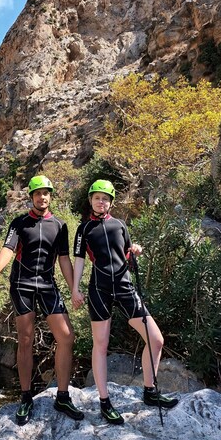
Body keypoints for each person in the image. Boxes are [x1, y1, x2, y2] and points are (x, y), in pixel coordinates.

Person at [72, 179, 178, 425]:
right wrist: (75, 289)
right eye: (97, 197)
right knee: (101, 344)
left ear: (111, 202)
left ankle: (150, 391)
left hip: (125, 287)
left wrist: (135, 250)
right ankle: (104, 401)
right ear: (91, 200)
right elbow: (79, 260)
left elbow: (126, 253)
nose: (101, 201)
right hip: (99, 290)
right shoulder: (84, 229)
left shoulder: (120, 225)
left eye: (106, 198)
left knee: (156, 339)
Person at [0, 175, 84, 425]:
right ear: (31, 196)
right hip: (22, 285)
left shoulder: (60, 226)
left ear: (51, 196)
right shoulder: (19, 223)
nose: (42, 197)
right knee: (26, 339)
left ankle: (62, 396)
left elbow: (63, 259)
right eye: (38, 193)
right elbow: (8, 249)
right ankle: (26, 397)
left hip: (48, 285)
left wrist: (74, 289)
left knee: (66, 336)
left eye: (46, 193)